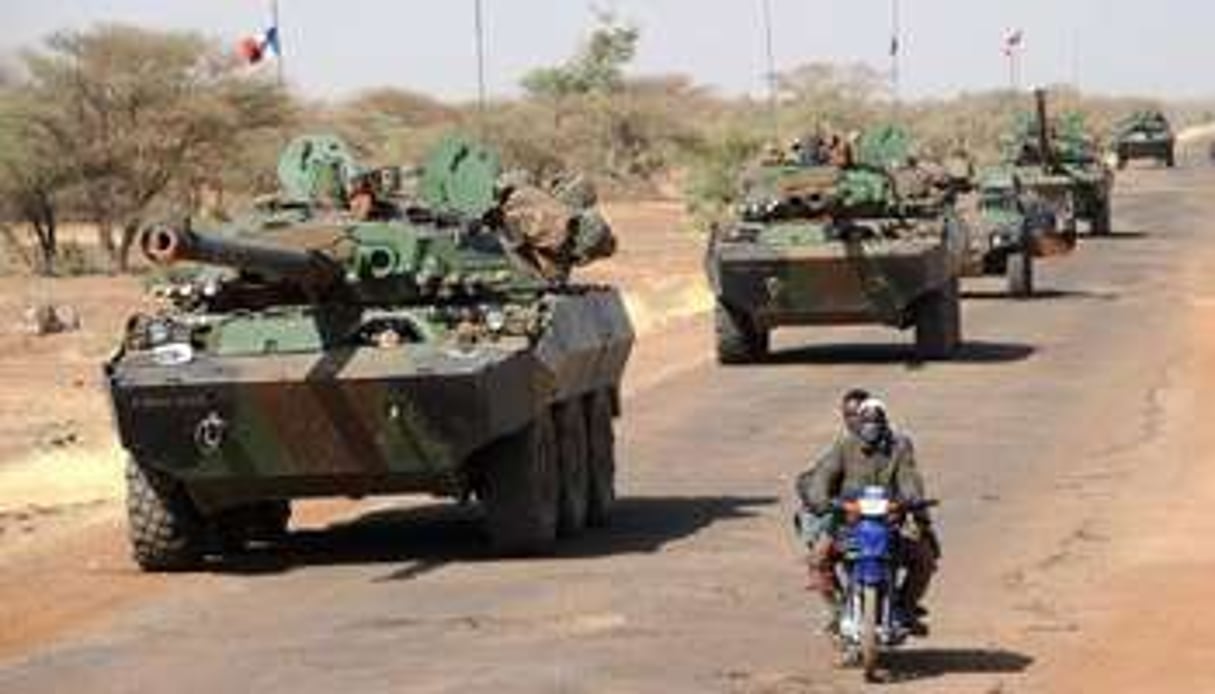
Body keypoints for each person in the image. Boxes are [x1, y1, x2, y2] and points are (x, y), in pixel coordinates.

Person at [796, 393, 939, 633]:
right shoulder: (844, 445)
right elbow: (823, 476)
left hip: (890, 523)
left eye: (876, 423)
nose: (870, 429)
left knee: (924, 559)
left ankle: (905, 608)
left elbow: (909, 478)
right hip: (849, 524)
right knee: (818, 559)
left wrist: (908, 500)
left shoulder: (899, 445)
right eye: (865, 422)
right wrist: (822, 500)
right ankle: (836, 611)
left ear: (885, 424)